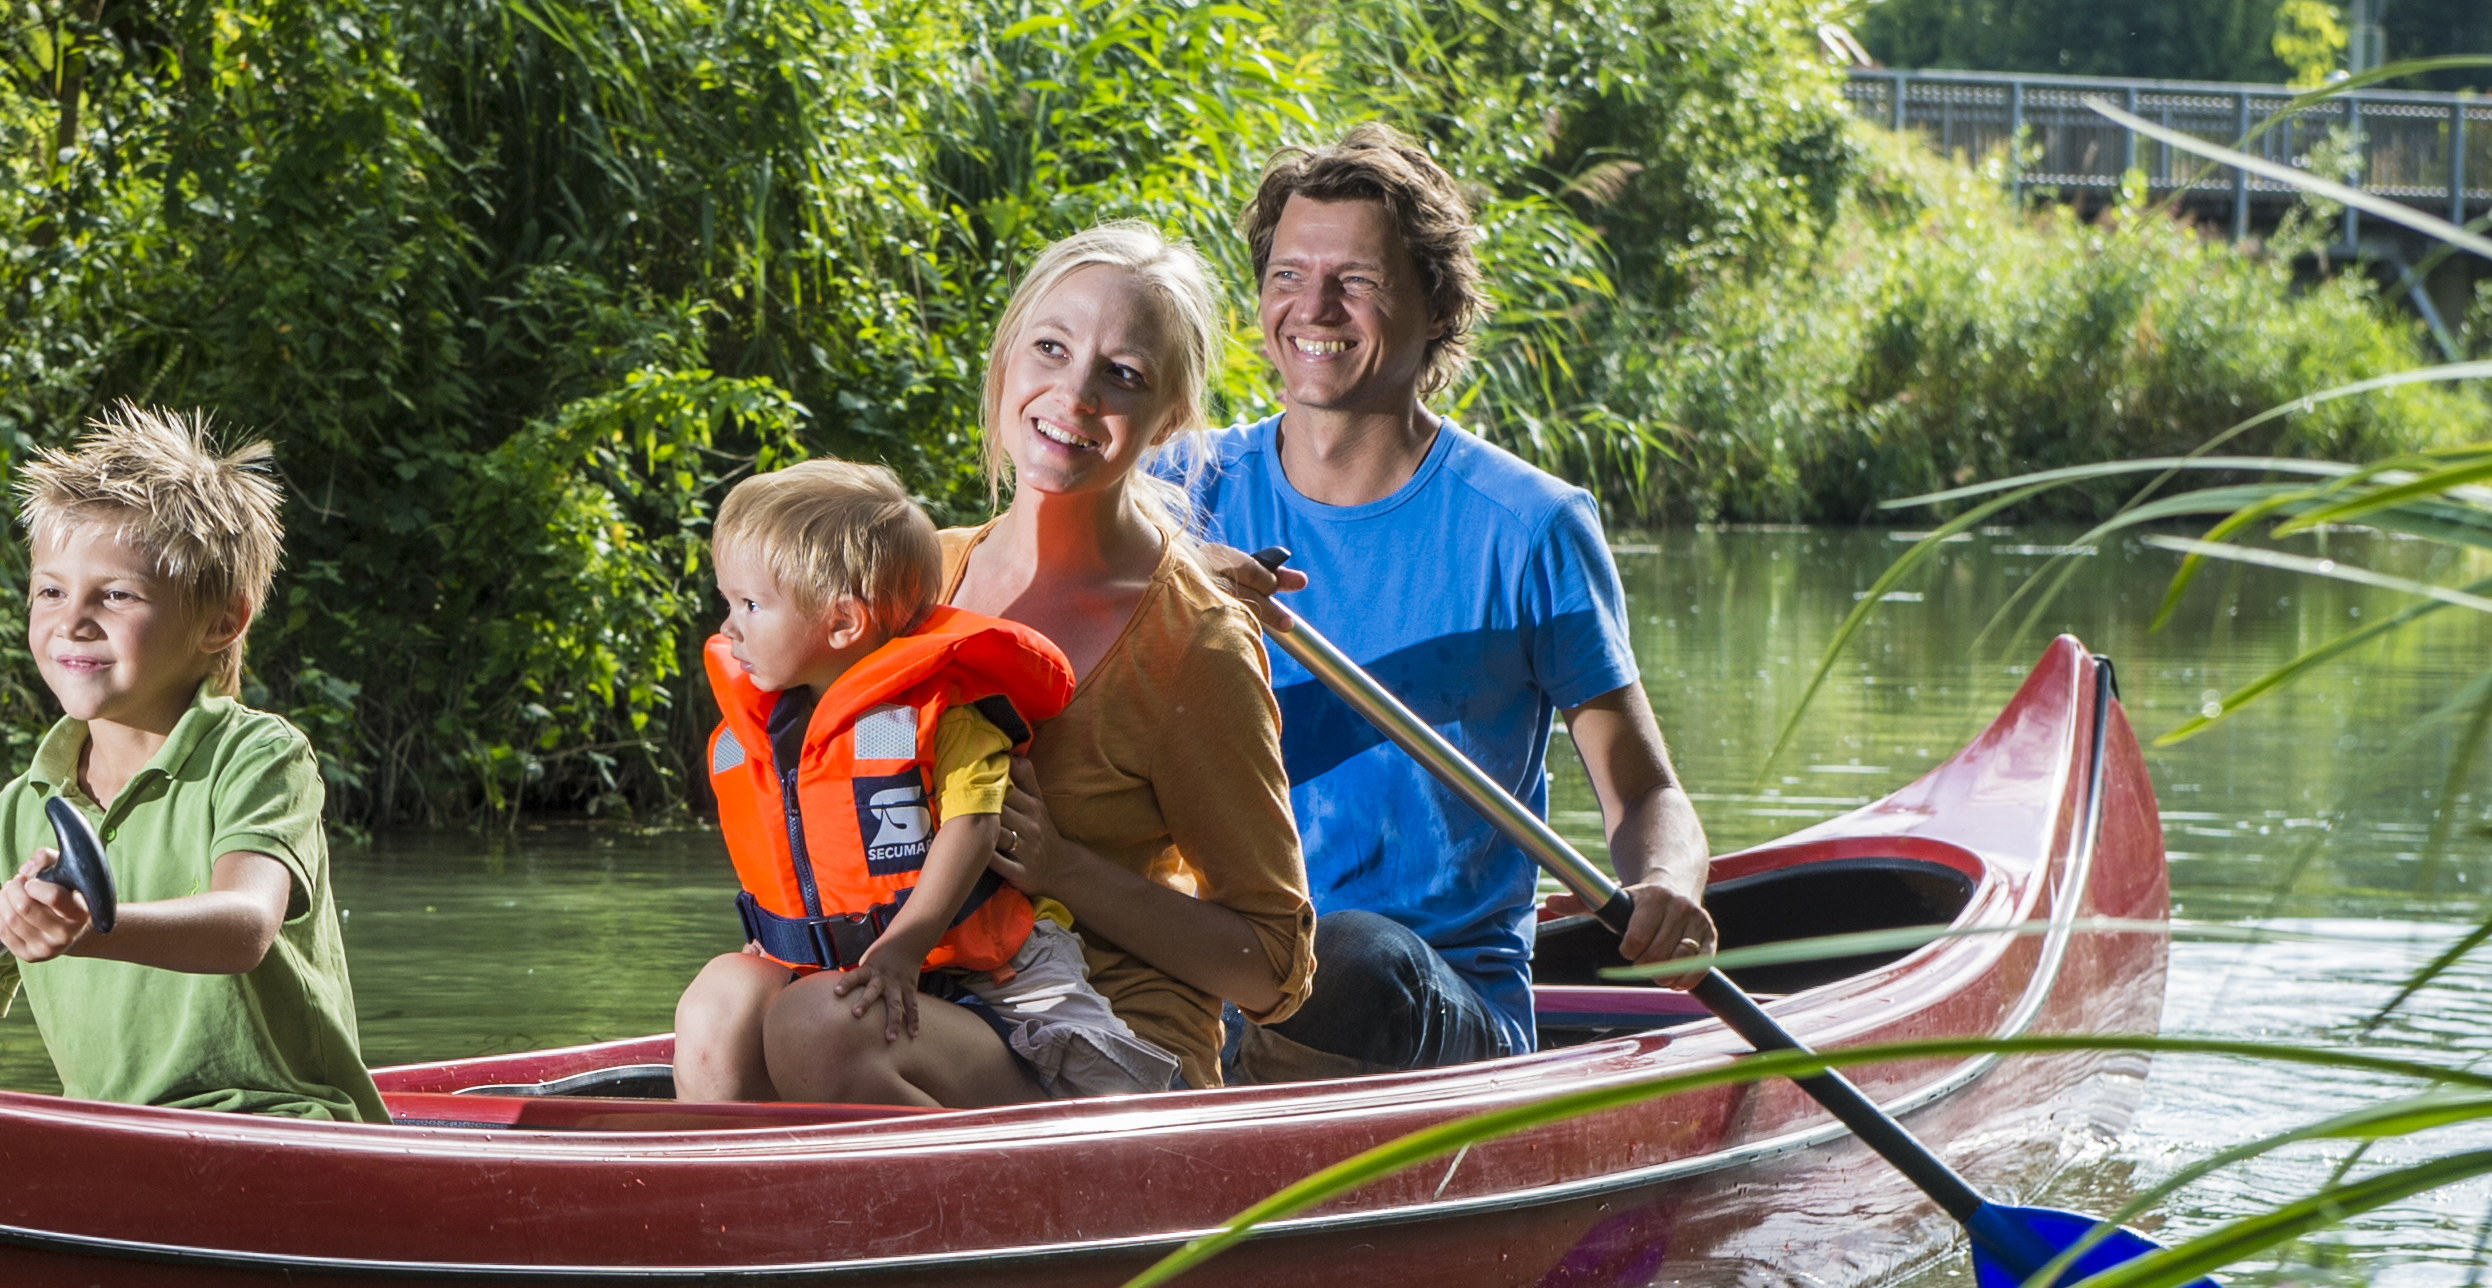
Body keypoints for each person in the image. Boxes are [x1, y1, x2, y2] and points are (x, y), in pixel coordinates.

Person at [1166, 127, 1714, 1075]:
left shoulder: (1531, 526)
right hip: (1202, 973)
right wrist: (1154, 588)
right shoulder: (1174, 493)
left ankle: (1194, 1114)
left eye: (1357, 281)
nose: (1314, 308)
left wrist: (1666, 880)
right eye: (1288, 275)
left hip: (1428, 998)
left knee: (1348, 958)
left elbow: (1644, 792)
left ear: (1438, 308)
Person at [0, 406, 387, 1121]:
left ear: (222, 622)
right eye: (51, 591)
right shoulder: (21, 812)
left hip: (278, 1125)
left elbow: (244, 925)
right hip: (117, 1139)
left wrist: (92, 928)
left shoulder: (258, 756)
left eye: (116, 595)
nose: (72, 622)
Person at [890, 223, 1318, 1100]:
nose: (1075, 394)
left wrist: (1061, 869)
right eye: (1051, 348)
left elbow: (1273, 969)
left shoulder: (1193, 642)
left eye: (1123, 374)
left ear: (1171, 419)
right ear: (1006, 359)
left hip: (1118, 1052)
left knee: (824, 1030)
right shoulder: (916, 579)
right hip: (929, 999)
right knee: (735, 1006)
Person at [669, 460, 1180, 1107]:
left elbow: (973, 828)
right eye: (729, 603)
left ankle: (1016, 1145)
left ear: (843, 623)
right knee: (719, 996)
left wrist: (905, 945)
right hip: (838, 977)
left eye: (749, 605)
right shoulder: (769, 732)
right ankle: (727, 1161)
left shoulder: (943, 714)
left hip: (993, 983)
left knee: (813, 1020)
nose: (728, 628)